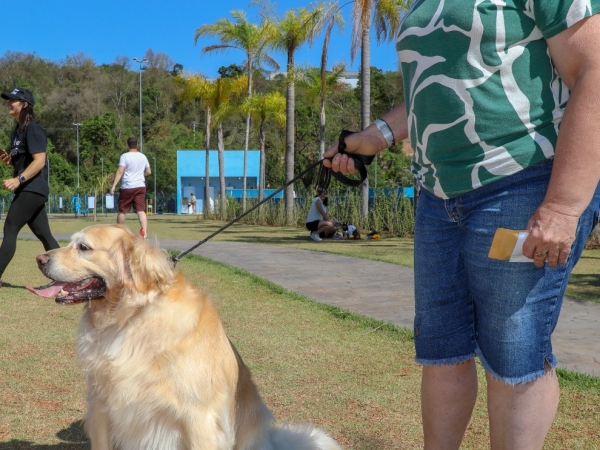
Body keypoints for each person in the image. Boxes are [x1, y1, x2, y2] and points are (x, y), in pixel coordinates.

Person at [324, 5, 600, 449]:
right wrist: (375, 136)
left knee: (514, 352)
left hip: (524, 180)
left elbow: (594, 69)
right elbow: (440, 82)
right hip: (438, 196)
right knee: (441, 349)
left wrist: (564, 207)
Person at [0, 87, 59, 286]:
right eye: (8, 100)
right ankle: (63, 278)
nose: (9, 103)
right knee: (45, 235)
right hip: (31, 189)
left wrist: (18, 179)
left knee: (10, 228)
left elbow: (40, 161)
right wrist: (10, 162)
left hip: (32, 189)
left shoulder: (33, 128)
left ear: (24, 105)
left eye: (13, 100)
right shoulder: (18, 131)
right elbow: (25, 163)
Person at [109, 136, 151, 238]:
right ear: (137, 144)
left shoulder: (125, 156)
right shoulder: (143, 156)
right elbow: (148, 171)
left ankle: (118, 232)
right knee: (141, 210)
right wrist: (140, 175)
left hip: (128, 186)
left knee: (123, 211)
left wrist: (114, 186)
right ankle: (144, 233)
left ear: (127, 145)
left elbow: (120, 171)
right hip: (140, 186)